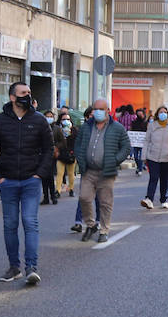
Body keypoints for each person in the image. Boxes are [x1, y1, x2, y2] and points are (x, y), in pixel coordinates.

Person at [0, 82, 50, 285]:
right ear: (12, 97)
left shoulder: (39, 120)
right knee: (10, 225)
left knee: (30, 223)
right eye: (23, 93)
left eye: (29, 93)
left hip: (31, 181)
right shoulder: (0, 121)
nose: (27, 96)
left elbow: (49, 149)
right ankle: (14, 267)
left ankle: (31, 267)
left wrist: (39, 174)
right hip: (8, 181)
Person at [75, 98, 132, 243]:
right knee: (84, 197)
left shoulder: (117, 128)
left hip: (106, 172)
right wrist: (80, 158)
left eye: (101, 109)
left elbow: (126, 147)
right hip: (88, 170)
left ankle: (104, 230)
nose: (98, 112)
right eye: (95, 109)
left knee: (105, 202)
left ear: (108, 110)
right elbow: (78, 143)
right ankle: (91, 224)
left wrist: (115, 160)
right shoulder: (86, 127)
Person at [142, 105, 168, 209]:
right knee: (153, 177)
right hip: (153, 156)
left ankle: (164, 199)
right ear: (157, 114)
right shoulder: (152, 125)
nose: (162, 114)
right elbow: (146, 140)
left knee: (164, 179)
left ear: (167, 114)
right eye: (160, 112)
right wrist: (144, 155)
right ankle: (149, 199)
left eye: (164, 112)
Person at [56, 109, 77, 197]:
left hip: (71, 154)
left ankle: (71, 189)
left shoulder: (74, 130)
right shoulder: (57, 129)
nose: (66, 121)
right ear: (60, 120)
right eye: (64, 119)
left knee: (71, 173)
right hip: (61, 154)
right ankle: (57, 191)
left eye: (68, 119)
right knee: (60, 173)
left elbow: (76, 141)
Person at [130, 107, 148, 175]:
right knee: (136, 157)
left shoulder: (146, 123)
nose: (139, 116)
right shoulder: (134, 122)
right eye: (138, 114)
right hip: (135, 142)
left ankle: (140, 169)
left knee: (140, 156)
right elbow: (131, 130)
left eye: (141, 114)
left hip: (143, 142)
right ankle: (139, 167)